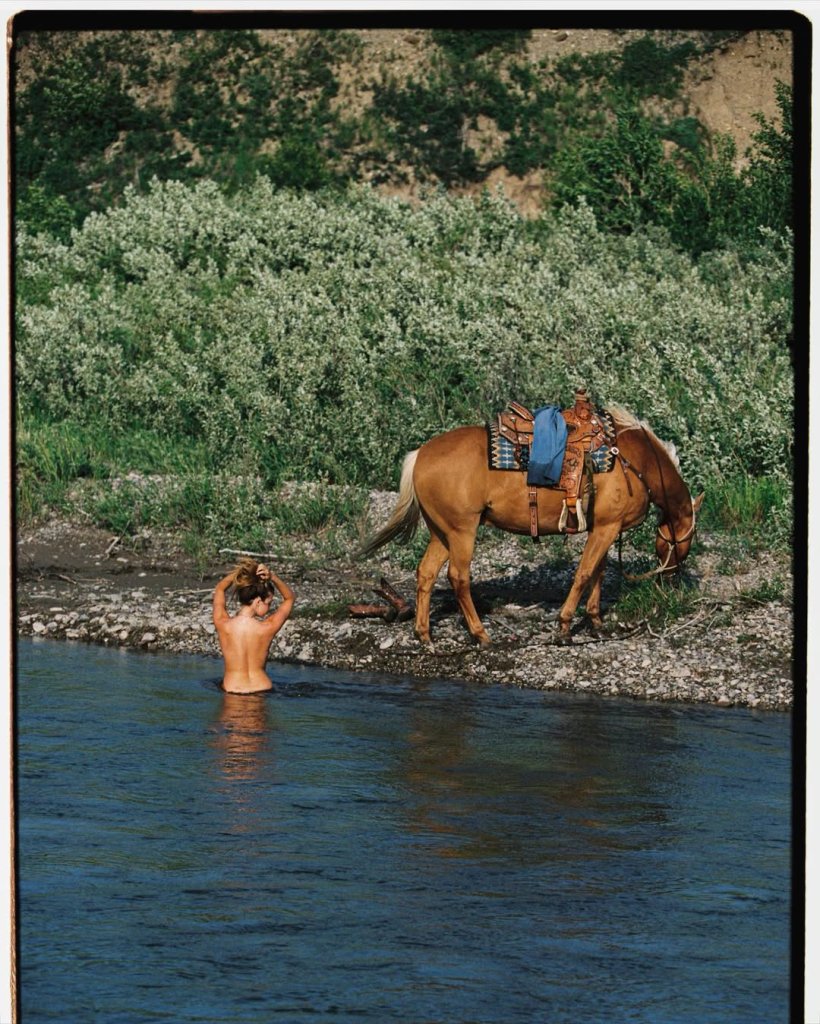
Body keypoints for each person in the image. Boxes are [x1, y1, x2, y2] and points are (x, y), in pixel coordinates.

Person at [212, 558, 295, 693]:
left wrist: (240, 573)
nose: (269, 608)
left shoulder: (223, 624)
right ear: (257, 602)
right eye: (268, 603)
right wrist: (272, 576)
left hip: (233, 690)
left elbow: (220, 588)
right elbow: (289, 598)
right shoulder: (267, 628)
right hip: (262, 689)